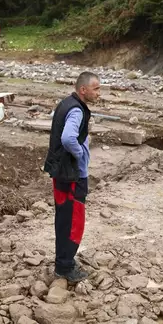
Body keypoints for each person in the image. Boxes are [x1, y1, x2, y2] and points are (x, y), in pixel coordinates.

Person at [43, 71, 101, 282]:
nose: (99, 93)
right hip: (72, 175)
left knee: (63, 219)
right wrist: (79, 154)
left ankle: (62, 262)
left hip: (60, 172)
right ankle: (65, 268)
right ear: (83, 90)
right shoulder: (77, 110)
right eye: (96, 88)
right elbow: (68, 138)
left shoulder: (66, 103)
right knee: (73, 221)